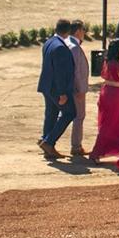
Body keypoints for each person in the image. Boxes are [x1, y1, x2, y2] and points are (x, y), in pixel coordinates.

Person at [37, 19, 76, 159]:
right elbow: (60, 73)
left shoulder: (49, 42)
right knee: (70, 113)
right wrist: (62, 93)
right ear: (68, 31)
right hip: (56, 88)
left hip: (46, 85)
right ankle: (49, 141)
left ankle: (45, 141)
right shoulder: (60, 47)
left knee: (51, 113)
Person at [68, 20, 91, 156]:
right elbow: (77, 71)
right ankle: (76, 146)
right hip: (77, 89)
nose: (84, 33)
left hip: (70, 87)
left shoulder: (70, 44)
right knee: (79, 116)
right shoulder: (75, 47)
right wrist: (81, 89)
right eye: (83, 30)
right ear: (78, 31)